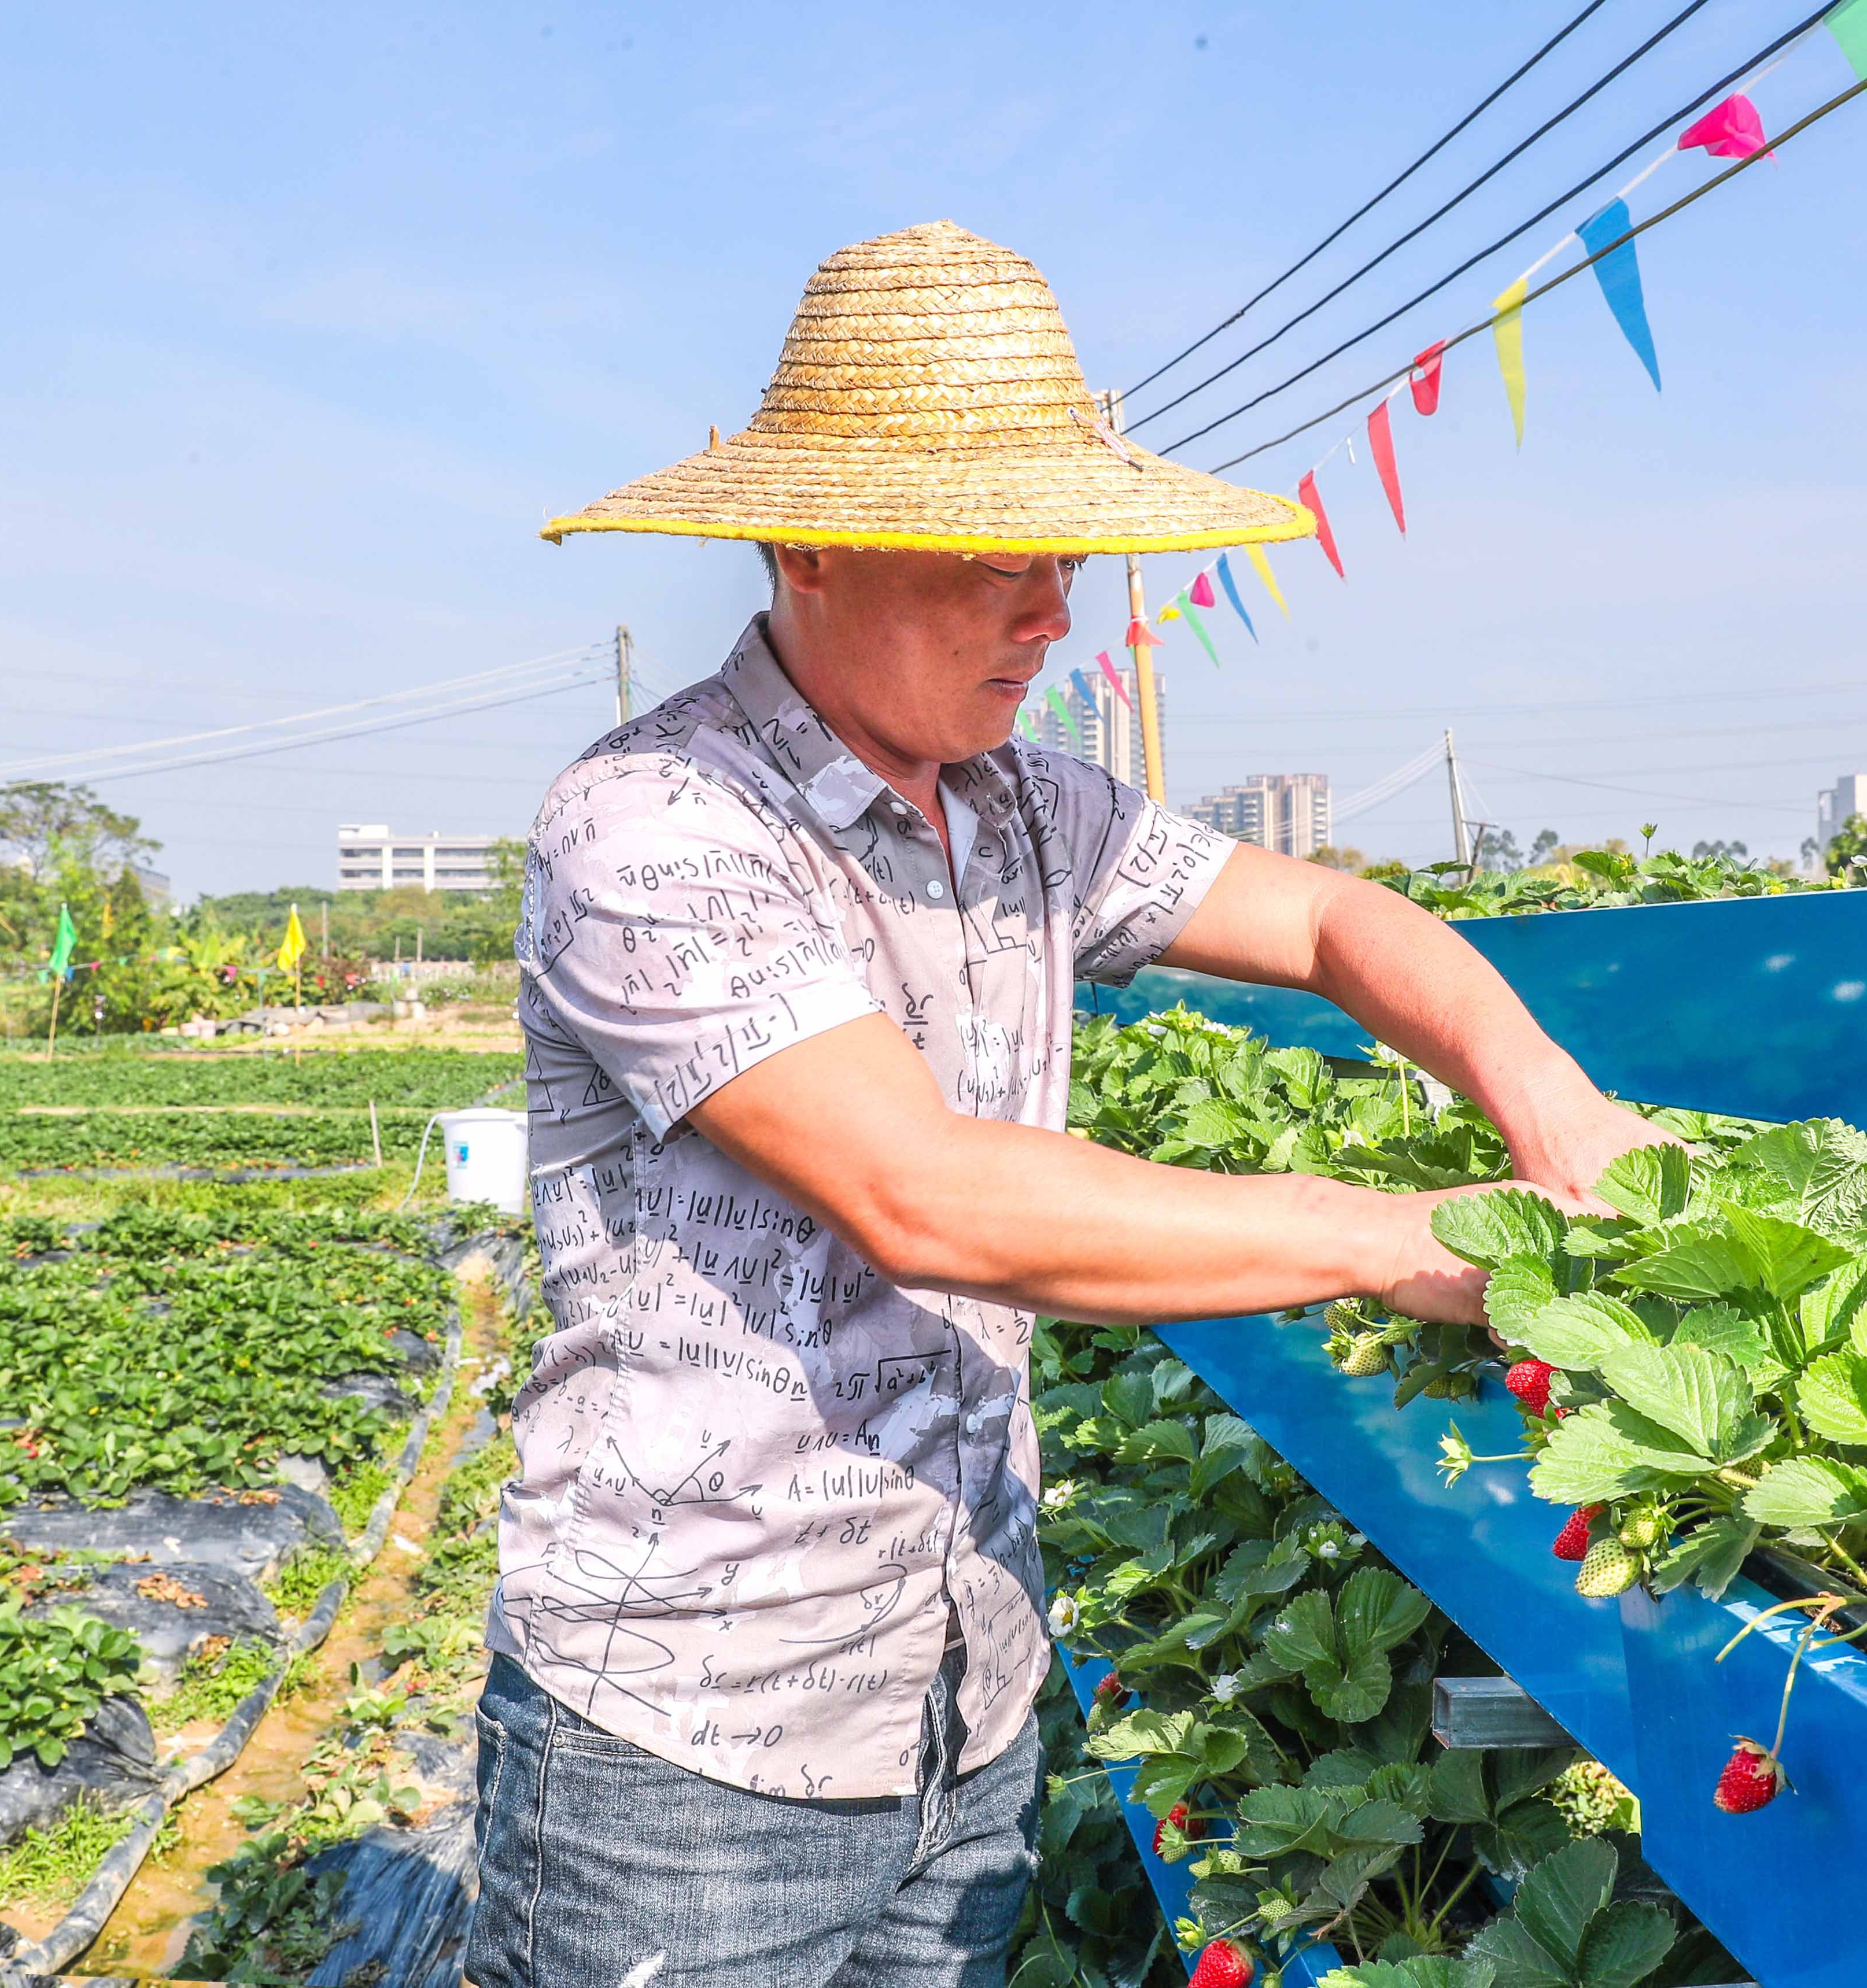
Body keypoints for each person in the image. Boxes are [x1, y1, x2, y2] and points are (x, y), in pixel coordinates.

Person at [467, 221, 1659, 1988]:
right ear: (807, 541)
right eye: (994, 557)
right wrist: (1401, 1236)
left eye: (1068, 554)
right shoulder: (658, 824)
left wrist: (1547, 1102)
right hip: (695, 1742)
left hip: (963, 1693)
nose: (1054, 609)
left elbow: (1335, 918)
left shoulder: (1026, 809)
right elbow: (932, 1197)